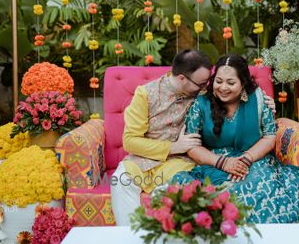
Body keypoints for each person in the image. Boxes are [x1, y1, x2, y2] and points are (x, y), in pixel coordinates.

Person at [171, 54, 299, 244]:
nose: (222, 87)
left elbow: (270, 135)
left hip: (255, 159)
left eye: (231, 82)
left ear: (243, 84)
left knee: (265, 188)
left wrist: (246, 159)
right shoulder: (201, 103)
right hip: (214, 163)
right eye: (218, 81)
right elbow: (192, 146)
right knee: (221, 196)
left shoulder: (258, 99)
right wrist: (223, 162)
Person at [111, 49, 276, 226]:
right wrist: (173, 147)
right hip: (141, 161)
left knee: (176, 190)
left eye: (208, 82)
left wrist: (264, 103)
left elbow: (243, 97)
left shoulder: (202, 95)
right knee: (120, 181)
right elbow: (129, 141)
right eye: (202, 83)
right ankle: (128, 237)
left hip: (179, 163)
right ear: (182, 78)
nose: (208, 86)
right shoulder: (145, 94)